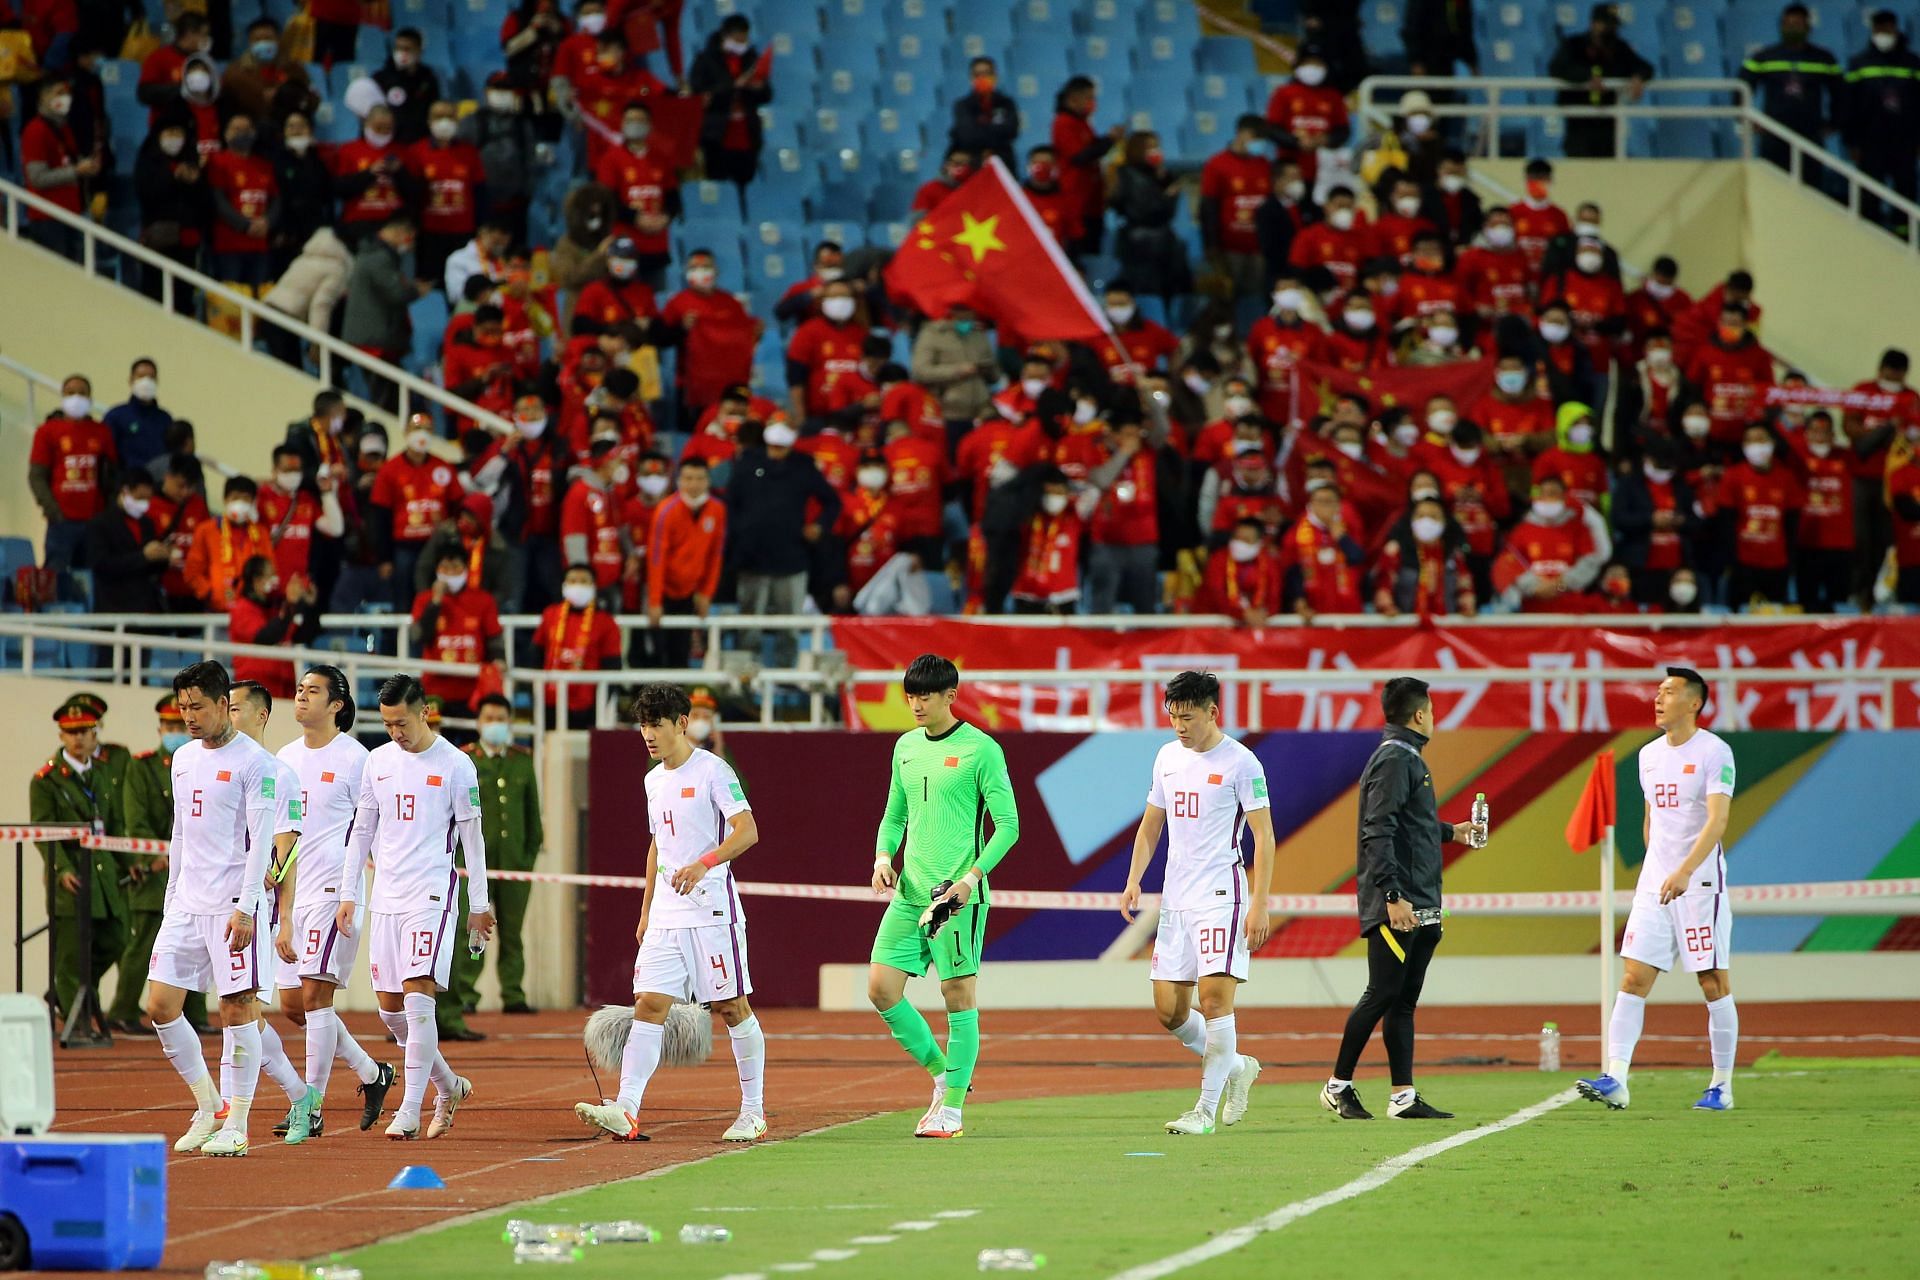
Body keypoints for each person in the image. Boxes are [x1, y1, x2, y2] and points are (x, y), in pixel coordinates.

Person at [575, 684, 766, 1142]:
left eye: (656, 724)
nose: (648, 734)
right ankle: (626, 1107)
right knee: (649, 1003)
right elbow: (657, 845)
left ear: (682, 723)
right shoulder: (652, 779)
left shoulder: (714, 771)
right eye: (643, 725)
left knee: (731, 1006)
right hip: (666, 915)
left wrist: (705, 863)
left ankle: (753, 1111)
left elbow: (748, 831)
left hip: (711, 912)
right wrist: (645, 910)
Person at [335, 675, 494, 1140]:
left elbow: (472, 839)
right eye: (386, 724)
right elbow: (361, 831)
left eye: (401, 722)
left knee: (418, 996)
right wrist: (350, 893)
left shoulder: (456, 765)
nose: (395, 733)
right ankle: (449, 1086)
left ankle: (409, 1109)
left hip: (431, 895)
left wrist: (479, 904)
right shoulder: (377, 762)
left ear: (424, 712)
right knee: (390, 1011)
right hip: (385, 896)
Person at [869, 655, 1019, 1139]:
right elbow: (895, 816)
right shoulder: (906, 747)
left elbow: (1009, 826)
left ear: (951, 696)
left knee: (958, 998)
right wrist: (882, 858)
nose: (915, 704)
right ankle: (944, 1075)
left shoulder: (982, 749)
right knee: (881, 988)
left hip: (957, 897)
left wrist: (971, 880)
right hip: (911, 893)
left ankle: (952, 1108)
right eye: (910, 695)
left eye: (925, 695)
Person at [1323, 677, 1485, 1121]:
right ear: (1419, 715)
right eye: (1431, 710)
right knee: (1382, 993)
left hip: (1420, 898)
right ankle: (1338, 1086)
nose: (1433, 717)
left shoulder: (1406, 759)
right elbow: (1378, 829)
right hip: (1400, 901)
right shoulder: (1396, 759)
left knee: (1402, 1001)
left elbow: (1410, 825)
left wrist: (1452, 831)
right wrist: (1392, 895)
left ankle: (1403, 1096)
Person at [1578, 669, 1740, 1112]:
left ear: (1693, 703)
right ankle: (1616, 1077)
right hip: (1655, 884)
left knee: (1712, 981)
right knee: (1633, 978)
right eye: (1657, 691)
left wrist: (1686, 871)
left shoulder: (1714, 751)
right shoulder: (1647, 755)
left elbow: (1717, 820)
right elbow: (1653, 823)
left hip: (1700, 883)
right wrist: (1658, 870)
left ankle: (1721, 1087)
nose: (1658, 698)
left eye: (1669, 692)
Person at [1118, 670, 1272, 1135]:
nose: (1180, 727)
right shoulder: (1166, 757)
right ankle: (1238, 1066)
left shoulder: (1242, 763)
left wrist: (1260, 904)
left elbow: (1263, 835)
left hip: (1221, 896)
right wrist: (1133, 879)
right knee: (1170, 1011)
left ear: (1213, 712)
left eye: (1188, 717)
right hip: (1176, 898)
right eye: (1173, 717)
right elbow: (1151, 826)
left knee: (1215, 999)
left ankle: (1204, 1110)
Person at [142, 661, 279, 1156]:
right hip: (187, 902)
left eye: (197, 707)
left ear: (224, 705)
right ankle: (210, 1106)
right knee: (160, 1006)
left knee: (236, 1008)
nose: (189, 717)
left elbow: (263, 841)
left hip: (231, 904)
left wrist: (246, 907)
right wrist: (171, 895)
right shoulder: (182, 759)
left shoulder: (255, 763)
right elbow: (179, 833)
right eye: (183, 708)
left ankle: (238, 1124)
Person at [271, 665, 395, 1141]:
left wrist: (367, 888)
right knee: (292, 1006)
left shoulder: (356, 759)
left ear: (337, 705)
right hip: (292, 896)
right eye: (299, 690)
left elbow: (374, 829)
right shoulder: (283, 757)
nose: (301, 697)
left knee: (316, 997)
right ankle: (371, 1073)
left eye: (312, 691)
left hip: (334, 893)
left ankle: (312, 1106)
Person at [29, 696, 129, 1030]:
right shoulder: (46, 780)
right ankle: (80, 1023)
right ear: (61, 735)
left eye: (84, 730)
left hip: (103, 875)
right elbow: (45, 833)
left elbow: (113, 823)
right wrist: (63, 870)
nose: (78, 738)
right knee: (72, 953)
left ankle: (68, 993)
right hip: (71, 877)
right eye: (70, 731)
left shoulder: (100, 774)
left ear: (95, 732)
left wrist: (127, 862)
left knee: (117, 939)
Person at [727, 422, 841, 666]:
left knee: (790, 624)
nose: (775, 452)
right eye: (772, 447)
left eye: (780, 448)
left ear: (790, 447)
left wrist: (819, 525)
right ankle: (747, 672)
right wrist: (741, 534)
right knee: (749, 622)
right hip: (752, 556)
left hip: (791, 558)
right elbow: (731, 504)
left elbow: (832, 502)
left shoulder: (803, 467)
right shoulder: (747, 464)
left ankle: (786, 672)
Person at [465, 697, 544, 1014]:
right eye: (489, 717)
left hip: (514, 864)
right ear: (479, 722)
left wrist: (526, 860)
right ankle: (466, 993)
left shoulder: (521, 761)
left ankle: (513, 993)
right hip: (476, 867)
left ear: (510, 723)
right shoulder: (467, 760)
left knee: (513, 932)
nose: (495, 723)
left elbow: (533, 818)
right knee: (473, 933)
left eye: (501, 717)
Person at [1740, 3, 1843, 182]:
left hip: (1810, 136)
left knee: (1810, 190)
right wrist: (1749, 120)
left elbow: (1840, 93)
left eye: (1797, 24)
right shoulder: (1764, 57)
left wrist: (1834, 122)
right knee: (1772, 187)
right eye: (1788, 24)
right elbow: (1742, 88)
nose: (1792, 29)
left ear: (1808, 27)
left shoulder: (1824, 58)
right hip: (1774, 135)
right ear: (1781, 27)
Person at [29, 375, 115, 575]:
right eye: (70, 393)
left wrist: (106, 512)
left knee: (90, 577)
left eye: (82, 393)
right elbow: (37, 476)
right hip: (61, 520)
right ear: (62, 397)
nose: (76, 397)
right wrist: (52, 510)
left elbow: (111, 476)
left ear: (90, 398)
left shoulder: (102, 432)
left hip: (94, 520)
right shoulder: (47, 432)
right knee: (55, 574)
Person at [647, 457, 726, 669]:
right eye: (689, 478)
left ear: (708, 481)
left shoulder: (717, 510)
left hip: (690, 593)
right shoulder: (666, 510)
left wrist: (706, 593)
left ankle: (678, 701)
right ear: (679, 480)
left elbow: (715, 556)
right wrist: (655, 601)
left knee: (681, 653)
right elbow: (656, 558)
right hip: (663, 592)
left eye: (700, 478)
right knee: (657, 653)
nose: (694, 484)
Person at [1844, 12, 1920, 229]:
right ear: (1872, 31)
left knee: (1905, 190)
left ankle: (1904, 235)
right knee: (1869, 192)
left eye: (1887, 29)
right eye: (1879, 30)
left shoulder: (1913, 63)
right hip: (1870, 141)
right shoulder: (1859, 63)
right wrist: (1852, 141)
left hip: (1905, 141)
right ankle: (1870, 233)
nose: (1883, 34)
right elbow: (1850, 105)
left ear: (1896, 30)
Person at [343, 215, 426, 410]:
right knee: (384, 397)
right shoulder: (379, 258)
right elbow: (396, 292)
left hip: (377, 337)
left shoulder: (375, 254)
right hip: (374, 340)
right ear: (399, 232)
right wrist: (416, 290)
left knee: (391, 395)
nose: (410, 243)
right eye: (410, 237)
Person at [411, 548, 507, 712]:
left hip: (472, 690)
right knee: (435, 738)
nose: (450, 573)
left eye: (455, 567)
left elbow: (494, 637)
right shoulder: (424, 599)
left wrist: (499, 658)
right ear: (436, 570)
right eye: (445, 568)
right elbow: (418, 636)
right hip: (435, 690)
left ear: (466, 569)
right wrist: (435, 602)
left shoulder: (483, 600)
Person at [1549, 4, 1652, 158]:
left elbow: (1645, 66)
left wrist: (1638, 77)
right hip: (1579, 123)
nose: (1611, 30)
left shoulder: (1619, 48)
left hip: (1607, 124)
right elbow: (1557, 68)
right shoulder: (1574, 45)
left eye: (1614, 25)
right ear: (1594, 23)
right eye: (1607, 24)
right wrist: (1586, 77)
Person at [1717, 423, 1803, 607]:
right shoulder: (1733, 476)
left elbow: (1792, 523)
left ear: (1772, 443)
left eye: (1761, 439)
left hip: (1777, 564)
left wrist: (1790, 561)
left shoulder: (1786, 477)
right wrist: (1732, 561)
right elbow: (1726, 522)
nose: (1756, 445)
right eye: (1751, 440)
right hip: (1744, 563)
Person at [687, 13, 770, 200]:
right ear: (726, 36)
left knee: (745, 185)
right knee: (719, 186)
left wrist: (758, 88)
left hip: (747, 133)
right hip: (716, 133)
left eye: (745, 39)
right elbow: (698, 94)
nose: (742, 43)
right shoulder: (706, 60)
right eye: (738, 39)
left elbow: (767, 95)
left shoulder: (751, 58)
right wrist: (732, 86)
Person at [1199, 115, 1274, 307]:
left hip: (1259, 247)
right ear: (1241, 134)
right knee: (1226, 298)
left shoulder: (1264, 164)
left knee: (1254, 298)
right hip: (1230, 247)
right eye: (1255, 137)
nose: (1259, 143)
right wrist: (1212, 244)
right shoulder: (1217, 164)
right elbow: (1208, 207)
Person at [1111, 132, 1189, 306]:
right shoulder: (1128, 175)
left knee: (1170, 287)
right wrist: (1167, 197)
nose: (1155, 151)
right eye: (1150, 147)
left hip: (1163, 241)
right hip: (1141, 244)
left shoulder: (1161, 175)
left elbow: (1168, 212)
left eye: (1157, 146)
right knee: (1147, 291)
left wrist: (1166, 183)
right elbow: (1143, 211)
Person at [1051, 75, 1120, 258]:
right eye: (1089, 97)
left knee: (1092, 253)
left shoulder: (1081, 123)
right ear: (1073, 98)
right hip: (1076, 201)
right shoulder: (1064, 123)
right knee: (1079, 254)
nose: (1092, 103)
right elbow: (1079, 156)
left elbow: (1091, 148)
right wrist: (1108, 141)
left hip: (1091, 200)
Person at [84, 472, 170, 612]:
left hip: (145, 605)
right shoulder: (100, 524)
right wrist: (143, 557)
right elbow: (100, 565)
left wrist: (162, 556)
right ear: (125, 491)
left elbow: (151, 567)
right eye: (140, 498)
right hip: (114, 605)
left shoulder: (147, 523)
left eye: (148, 500)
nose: (144, 505)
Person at [909, 305, 997, 437]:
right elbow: (920, 371)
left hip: (983, 411)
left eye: (970, 309)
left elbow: (995, 375)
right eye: (962, 309)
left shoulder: (978, 333)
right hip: (950, 413)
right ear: (951, 311)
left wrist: (987, 369)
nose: (967, 314)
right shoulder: (932, 334)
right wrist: (957, 370)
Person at [103, 359, 174, 475]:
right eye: (141, 376)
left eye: (151, 377)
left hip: (157, 485)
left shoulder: (165, 418)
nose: (146, 381)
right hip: (127, 483)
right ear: (131, 380)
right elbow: (107, 455)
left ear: (157, 381)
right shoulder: (116, 416)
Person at [375, 27, 443, 144]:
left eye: (407, 49)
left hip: (421, 141)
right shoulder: (381, 78)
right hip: (391, 142)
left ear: (419, 51)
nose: (402, 53)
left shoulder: (428, 79)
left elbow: (433, 109)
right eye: (398, 48)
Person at [947, 56, 1018, 168]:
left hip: (1003, 163)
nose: (982, 78)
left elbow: (1011, 131)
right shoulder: (962, 105)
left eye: (987, 73)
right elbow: (968, 137)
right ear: (971, 79)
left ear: (995, 77)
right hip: (972, 164)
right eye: (977, 74)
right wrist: (994, 130)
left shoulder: (1006, 103)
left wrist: (980, 128)